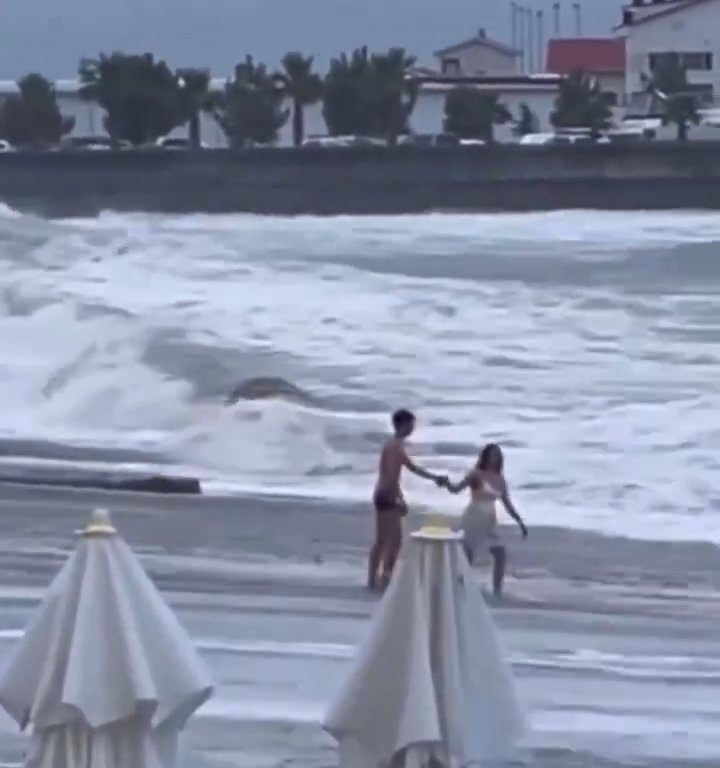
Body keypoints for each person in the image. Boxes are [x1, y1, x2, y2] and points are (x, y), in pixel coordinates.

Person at [368, 409, 447, 591]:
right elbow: (389, 475)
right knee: (393, 540)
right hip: (386, 494)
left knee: (384, 540)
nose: (412, 428)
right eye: (410, 424)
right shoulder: (394, 447)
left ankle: (376, 578)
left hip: (384, 493)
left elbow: (411, 468)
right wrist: (397, 499)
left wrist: (435, 478)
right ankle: (384, 577)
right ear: (402, 425)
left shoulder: (395, 446)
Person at [446, 443, 527, 597]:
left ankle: (497, 590)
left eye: (497, 455)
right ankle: (459, 587)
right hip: (474, 515)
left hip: (490, 519)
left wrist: (520, 522)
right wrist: (446, 483)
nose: (494, 457)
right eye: (492, 454)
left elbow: (507, 503)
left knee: (500, 553)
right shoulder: (476, 474)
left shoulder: (500, 479)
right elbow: (456, 490)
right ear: (486, 456)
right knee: (468, 555)